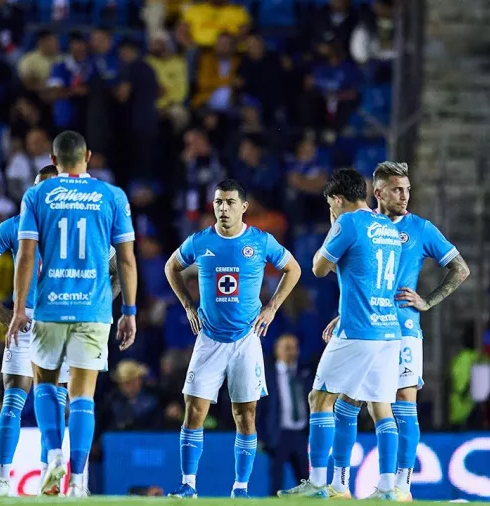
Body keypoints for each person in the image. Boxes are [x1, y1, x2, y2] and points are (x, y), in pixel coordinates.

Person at [0, 164, 120, 496]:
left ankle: (34, 479)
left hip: (55, 316)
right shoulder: (27, 225)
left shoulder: (61, 224)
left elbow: (117, 268)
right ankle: (15, 478)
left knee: (49, 398)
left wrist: (102, 301)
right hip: (40, 318)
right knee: (24, 399)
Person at [324, 162, 470, 500]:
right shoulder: (362, 224)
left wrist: (427, 302)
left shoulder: (420, 228)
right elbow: (349, 274)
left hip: (403, 329)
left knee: (404, 402)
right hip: (366, 325)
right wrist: (344, 314)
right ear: (378, 193)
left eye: (407, 190)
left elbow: (460, 269)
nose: (405, 196)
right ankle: (340, 485)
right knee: (348, 402)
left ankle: (400, 487)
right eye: (397, 190)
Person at [7, 131, 138, 497]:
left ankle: (53, 456)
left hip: (50, 308)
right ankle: (78, 480)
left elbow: (27, 255)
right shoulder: (112, 196)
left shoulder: (36, 195)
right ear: (88, 157)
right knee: (83, 395)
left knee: (45, 382)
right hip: (94, 309)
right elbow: (126, 259)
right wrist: (129, 310)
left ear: (52, 158)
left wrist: (19, 309)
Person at [163, 179, 301, 498]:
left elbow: (293, 269)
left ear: (243, 207)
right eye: (218, 202)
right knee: (193, 409)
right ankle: (188, 485)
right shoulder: (200, 241)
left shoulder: (260, 241)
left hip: (246, 340)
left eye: (228, 202)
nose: (222, 208)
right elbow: (172, 267)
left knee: (245, 414)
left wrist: (271, 308)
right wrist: (187, 305)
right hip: (209, 339)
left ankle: (240, 488)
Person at [279, 168, 403, 500]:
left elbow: (318, 268)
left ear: (337, 199)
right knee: (381, 406)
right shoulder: (389, 228)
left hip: (359, 329)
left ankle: (319, 484)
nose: (331, 211)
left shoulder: (347, 222)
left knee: (320, 397)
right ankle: (390, 488)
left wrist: (334, 229)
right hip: (389, 330)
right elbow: (374, 277)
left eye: (330, 205)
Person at [259, 334, 311, 495]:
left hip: (302, 434)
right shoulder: (266, 375)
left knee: (306, 480)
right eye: (287, 348)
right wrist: (261, 436)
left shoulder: (306, 372)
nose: (291, 352)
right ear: (277, 350)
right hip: (278, 434)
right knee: (276, 480)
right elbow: (259, 409)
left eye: (294, 348)